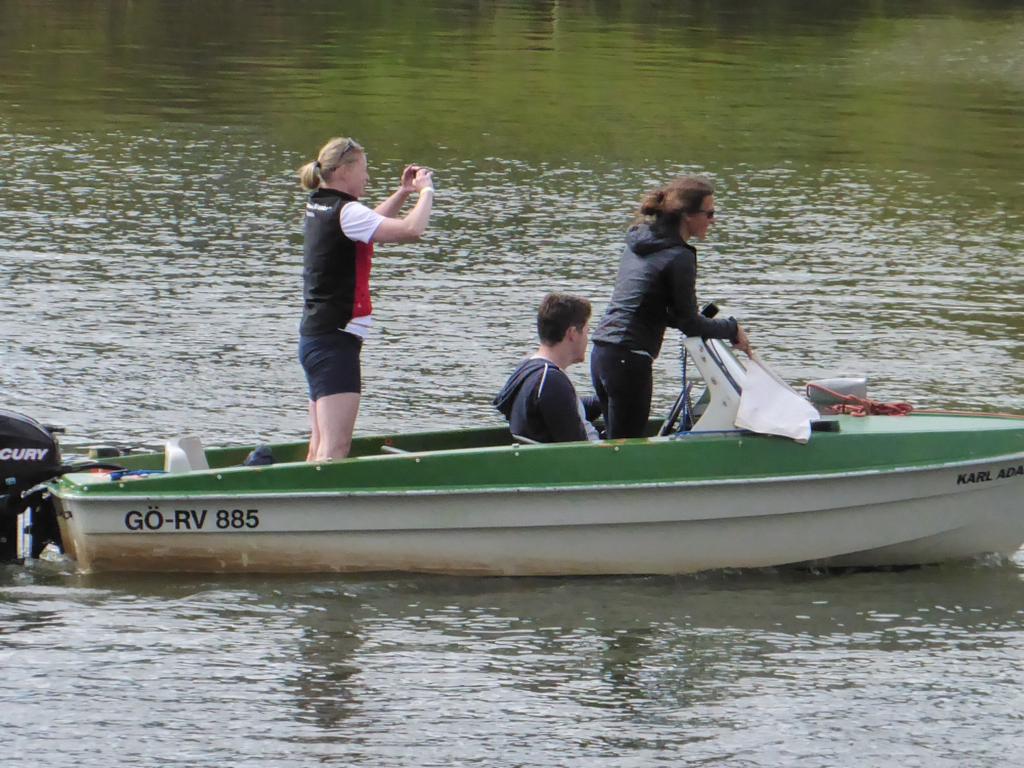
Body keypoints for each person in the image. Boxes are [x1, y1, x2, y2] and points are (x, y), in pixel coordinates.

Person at [297, 137, 434, 461]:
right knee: (335, 448)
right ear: (344, 171)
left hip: (317, 339)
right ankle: (322, 496)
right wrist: (426, 191)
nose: (368, 178)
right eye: (363, 169)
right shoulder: (346, 212)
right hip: (335, 343)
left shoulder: (322, 204)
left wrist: (403, 192)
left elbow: (368, 224)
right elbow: (412, 230)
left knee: (319, 446)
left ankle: (306, 491)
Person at [590, 175, 752, 439]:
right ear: (688, 215)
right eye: (709, 213)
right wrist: (732, 329)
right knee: (625, 448)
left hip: (603, 353)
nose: (713, 220)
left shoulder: (640, 242)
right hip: (629, 358)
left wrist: (706, 324)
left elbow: (655, 308)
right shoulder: (680, 256)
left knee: (616, 442)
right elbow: (689, 324)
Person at [493, 293, 601, 444]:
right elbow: (577, 449)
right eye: (586, 332)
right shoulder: (552, 381)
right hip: (590, 456)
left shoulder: (529, 369)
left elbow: (567, 410)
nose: (587, 339)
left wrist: (608, 398)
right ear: (572, 333)